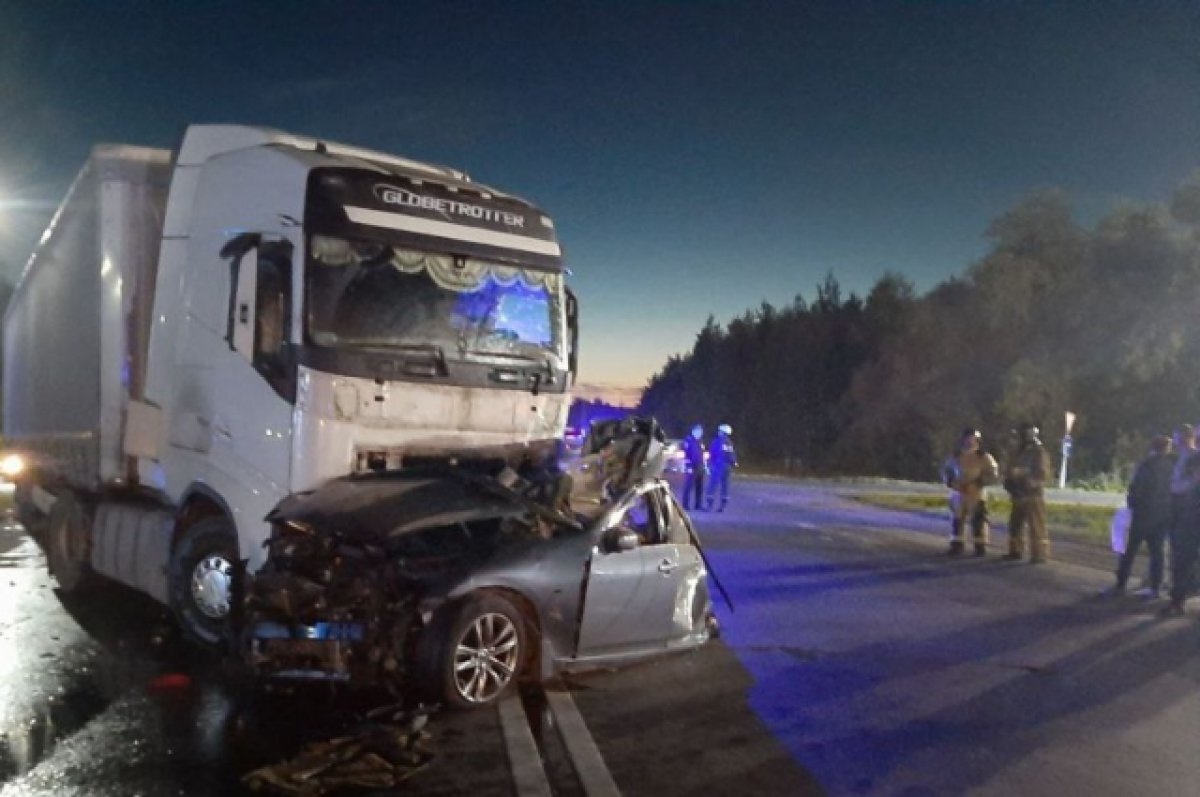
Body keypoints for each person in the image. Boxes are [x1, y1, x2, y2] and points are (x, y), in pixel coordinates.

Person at [1111, 435, 1173, 597]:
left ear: (1153, 447)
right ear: (1167, 449)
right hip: (1162, 515)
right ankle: (1156, 586)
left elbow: (1136, 488)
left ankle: (1121, 581)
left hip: (1143, 514)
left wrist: (1133, 504)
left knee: (1131, 549)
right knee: (1157, 552)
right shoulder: (1172, 467)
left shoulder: (1146, 465)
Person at [942, 428, 999, 556]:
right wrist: (952, 483)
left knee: (978, 520)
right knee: (957, 520)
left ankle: (980, 545)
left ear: (977, 440)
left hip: (976, 493)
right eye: (967, 439)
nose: (969, 442)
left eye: (972, 439)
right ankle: (957, 544)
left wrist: (979, 483)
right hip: (959, 492)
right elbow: (946, 472)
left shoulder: (983, 457)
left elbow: (993, 473)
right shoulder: (955, 456)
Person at [1002, 423, 1053, 563]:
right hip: (1018, 494)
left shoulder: (1039, 452)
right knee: (1015, 525)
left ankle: (1040, 554)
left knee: (1036, 526)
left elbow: (1042, 473)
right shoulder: (1018, 451)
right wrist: (1009, 481)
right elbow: (1009, 469)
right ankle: (1015, 550)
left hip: (1032, 495)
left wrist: (1026, 477)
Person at [1162, 450, 1200, 617]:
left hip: (1189, 524)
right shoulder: (1190, 486)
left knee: (1183, 563)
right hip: (1189, 525)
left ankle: (1178, 600)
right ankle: (1177, 600)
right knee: (1183, 563)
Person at [705, 423, 739, 512]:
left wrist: (709, 463)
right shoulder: (729, 443)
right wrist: (734, 462)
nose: (718, 432)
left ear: (722, 432)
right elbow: (731, 455)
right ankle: (722, 506)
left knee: (712, 485)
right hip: (728, 467)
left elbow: (712, 453)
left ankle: (709, 505)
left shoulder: (717, 441)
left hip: (718, 465)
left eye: (719, 431)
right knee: (725, 486)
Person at [680, 424, 707, 510]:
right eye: (698, 431)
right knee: (688, 486)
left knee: (699, 487)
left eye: (701, 432)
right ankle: (685, 505)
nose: (700, 433)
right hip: (691, 466)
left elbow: (702, 454)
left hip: (700, 466)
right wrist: (688, 466)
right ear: (693, 431)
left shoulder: (700, 442)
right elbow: (686, 454)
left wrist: (705, 466)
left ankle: (698, 505)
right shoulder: (688, 441)